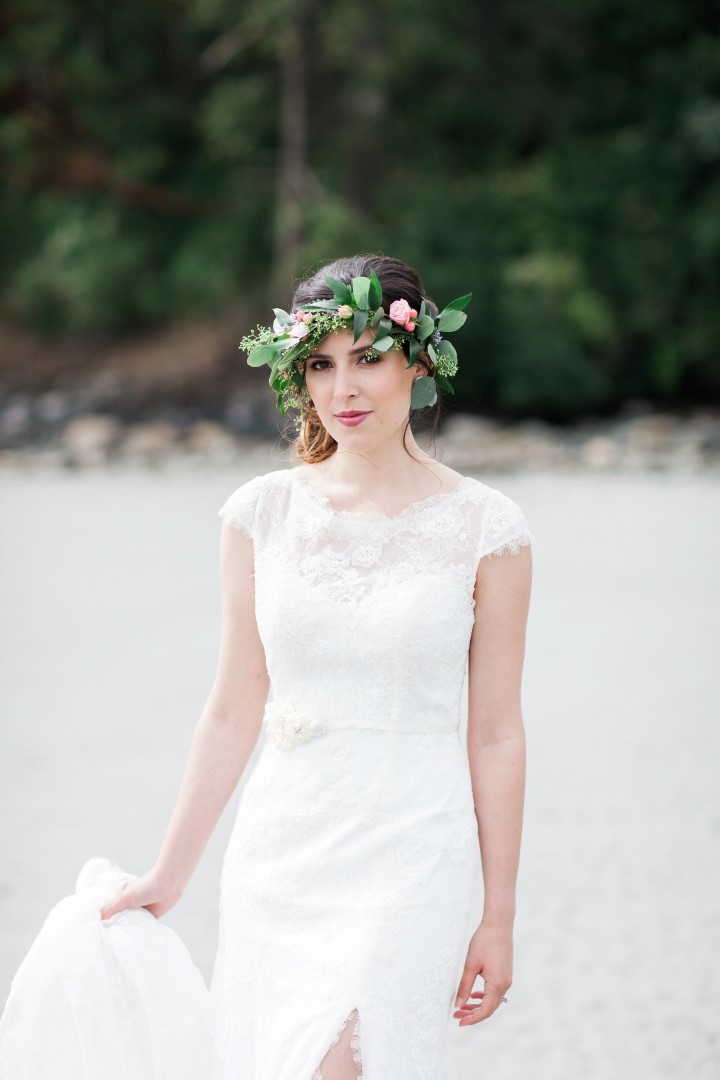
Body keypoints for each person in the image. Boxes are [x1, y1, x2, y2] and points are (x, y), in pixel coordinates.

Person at [0, 254, 534, 1079]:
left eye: (368, 358)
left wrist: (497, 917)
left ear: (419, 360)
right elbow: (231, 707)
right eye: (321, 365)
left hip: (412, 851)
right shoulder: (261, 514)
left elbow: (496, 733)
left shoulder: (487, 529)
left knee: (345, 1063)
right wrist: (168, 873)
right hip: (284, 850)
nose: (342, 389)